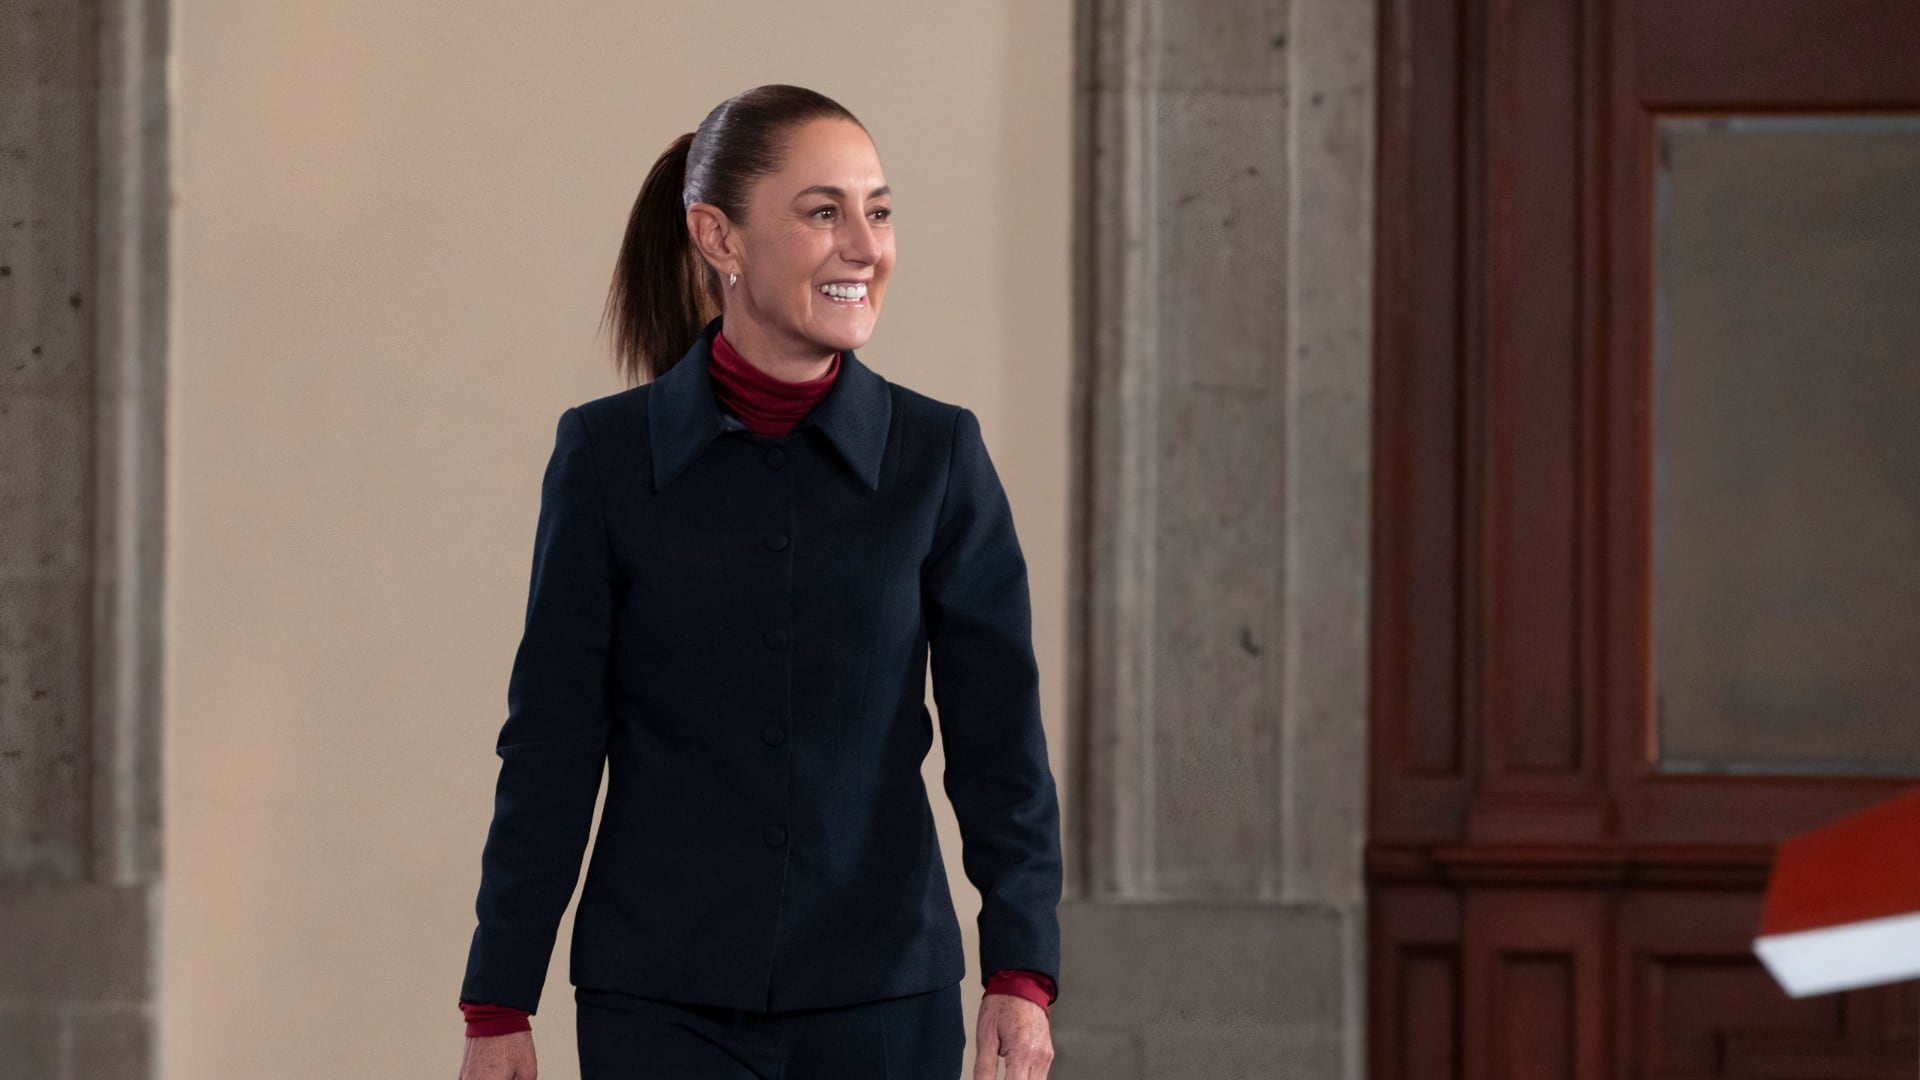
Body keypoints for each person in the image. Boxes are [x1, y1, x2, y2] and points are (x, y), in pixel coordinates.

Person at [454, 84, 1063, 1080]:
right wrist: (498, 1001)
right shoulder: (606, 459)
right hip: (658, 1003)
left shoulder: (939, 456)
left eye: (879, 210)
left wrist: (1020, 974)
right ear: (718, 238)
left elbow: (1002, 745)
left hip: (884, 1000)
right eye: (824, 212)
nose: (865, 246)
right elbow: (553, 745)